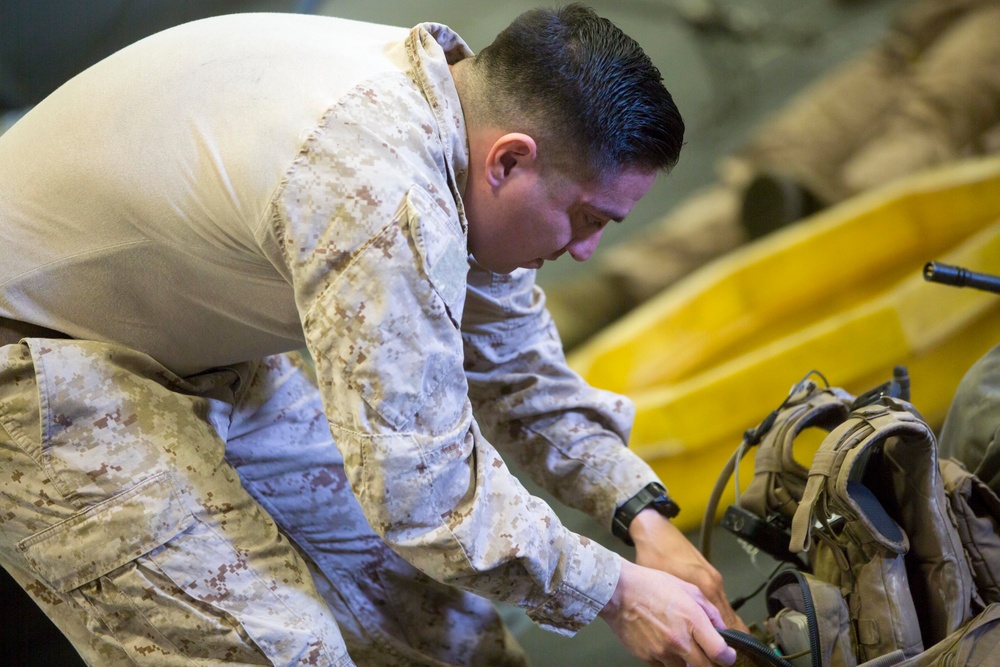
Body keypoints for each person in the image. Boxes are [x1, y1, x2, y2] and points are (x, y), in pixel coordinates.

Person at [0, 5, 742, 666]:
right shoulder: (375, 185)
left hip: (178, 335)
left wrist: (639, 515)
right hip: (28, 357)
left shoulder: (457, 119)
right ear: (510, 159)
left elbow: (514, 367)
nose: (586, 251)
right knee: (280, 647)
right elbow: (426, 494)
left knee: (431, 621)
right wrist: (616, 590)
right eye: (587, 218)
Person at [547, 0, 1000, 349]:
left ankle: (826, 227)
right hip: (913, 36)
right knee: (774, 167)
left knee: (926, 127)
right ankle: (615, 291)